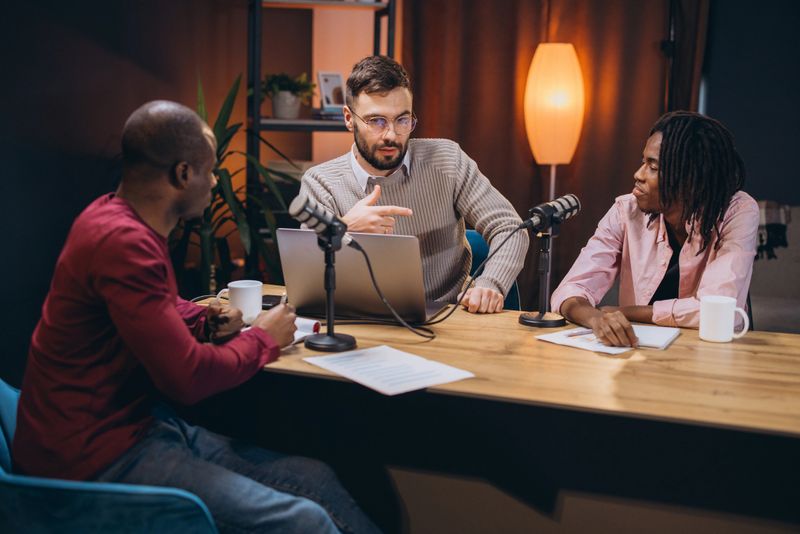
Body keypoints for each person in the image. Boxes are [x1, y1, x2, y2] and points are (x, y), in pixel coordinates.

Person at [13, 101, 379, 533]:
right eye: (210, 171)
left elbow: (155, 305)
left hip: (138, 429)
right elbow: (186, 378)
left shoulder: (113, 216)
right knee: (305, 521)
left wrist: (204, 320)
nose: (215, 182)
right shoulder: (123, 242)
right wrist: (263, 339)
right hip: (91, 460)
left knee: (314, 478)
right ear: (183, 174)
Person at [300, 55, 529, 314]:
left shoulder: (447, 160)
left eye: (402, 120)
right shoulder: (320, 182)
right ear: (348, 118)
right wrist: (344, 229)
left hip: (447, 318)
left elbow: (510, 227)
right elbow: (306, 275)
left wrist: (490, 284)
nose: (391, 135)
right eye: (376, 121)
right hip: (359, 319)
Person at [551, 111, 759, 347]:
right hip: (640, 350)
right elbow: (571, 289)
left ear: (691, 178)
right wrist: (596, 318)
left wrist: (626, 312)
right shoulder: (626, 210)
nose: (638, 175)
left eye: (653, 166)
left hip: (712, 351)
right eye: (643, 162)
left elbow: (719, 310)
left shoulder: (736, 211)